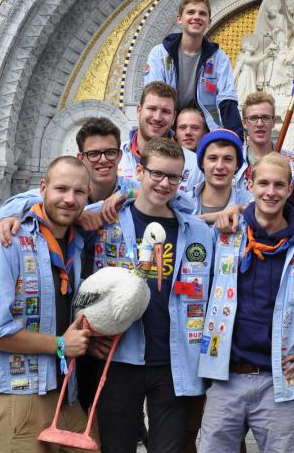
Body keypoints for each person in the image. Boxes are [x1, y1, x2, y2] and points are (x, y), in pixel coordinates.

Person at [198, 153, 294, 451]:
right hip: (226, 376)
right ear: (250, 184)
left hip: (281, 380)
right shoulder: (225, 236)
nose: (270, 192)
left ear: (290, 189)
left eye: (278, 185)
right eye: (263, 183)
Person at [89, 138, 215, 452]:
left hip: (173, 363)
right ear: (140, 171)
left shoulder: (198, 231)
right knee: (116, 447)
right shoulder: (106, 221)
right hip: (119, 358)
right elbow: (53, 202)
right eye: (156, 174)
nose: (164, 183)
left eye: (173, 177)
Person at [0, 157, 93, 451]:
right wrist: (60, 344)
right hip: (17, 395)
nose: (69, 199)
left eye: (79, 192)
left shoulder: (78, 244)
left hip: (65, 393)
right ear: (42, 188)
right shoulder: (7, 241)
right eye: (61, 189)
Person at [0, 117, 135, 246]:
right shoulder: (67, 195)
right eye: (94, 154)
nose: (103, 160)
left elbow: (154, 194)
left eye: (110, 152)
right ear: (81, 158)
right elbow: (9, 208)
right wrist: (77, 214)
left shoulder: (131, 190)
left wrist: (127, 194)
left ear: (119, 156)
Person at [144, 0, 244, 138]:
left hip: (205, 127)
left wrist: (236, 138)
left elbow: (226, 98)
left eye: (202, 14)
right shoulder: (160, 53)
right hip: (167, 126)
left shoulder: (218, 57)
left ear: (209, 22)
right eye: (191, 12)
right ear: (180, 19)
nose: (196, 17)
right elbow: (154, 95)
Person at [118, 81, 203, 194]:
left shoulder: (194, 165)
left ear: (174, 117)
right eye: (152, 108)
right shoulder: (115, 156)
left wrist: (127, 194)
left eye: (165, 111)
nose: (157, 117)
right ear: (139, 111)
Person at [235, 91, 294, 188]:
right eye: (253, 118)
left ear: (273, 122)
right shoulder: (233, 161)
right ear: (244, 123)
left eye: (266, 118)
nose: (260, 124)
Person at [192, 129, 252, 224]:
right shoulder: (181, 202)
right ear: (202, 163)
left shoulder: (249, 202)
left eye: (228, 159)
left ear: (237, 165)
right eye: (213, 158)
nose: (219, 166)